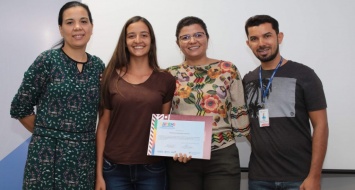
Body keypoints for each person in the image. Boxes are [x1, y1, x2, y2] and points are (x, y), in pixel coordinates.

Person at [10, 1, 105, 189]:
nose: (77, 27)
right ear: (60, 29)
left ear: (92, 27)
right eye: (70, 22)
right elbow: (20, 107)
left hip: (84, 161)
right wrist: (48, 135)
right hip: (47, 161)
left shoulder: (99, 67)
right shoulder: (47, 61)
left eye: (83, 21)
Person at [243, 15, 329, 190]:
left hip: (299, 178)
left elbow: (321, 125)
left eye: (267, 35)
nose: (261, 43)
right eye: (254, 38)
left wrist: (315, 175)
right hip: (259, 178)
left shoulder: (304, 75)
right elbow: (245, 124)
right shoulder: (247, 80)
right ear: (248, 44)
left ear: (279, 37)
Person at [166, 16, 250, 190]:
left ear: (207, 37)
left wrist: (261, 148)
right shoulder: (168, 74)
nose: (192, 41)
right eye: (185, 37)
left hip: (222, 156)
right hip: (183, 158)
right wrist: (171, 146)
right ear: (178, 42)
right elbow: (165, 115)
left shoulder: (228, 70)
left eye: (198, 35)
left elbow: (239, 113)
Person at [95, 16, 176, 190]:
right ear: (124, 42)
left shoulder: (166, 80)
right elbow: (102, 127)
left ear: (151, 40)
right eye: (131, 36)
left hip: (152, 169)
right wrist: (99, 174)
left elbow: (164, 126)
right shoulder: (109, 78)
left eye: (144, 35)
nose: (138, 40)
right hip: (114, 169)